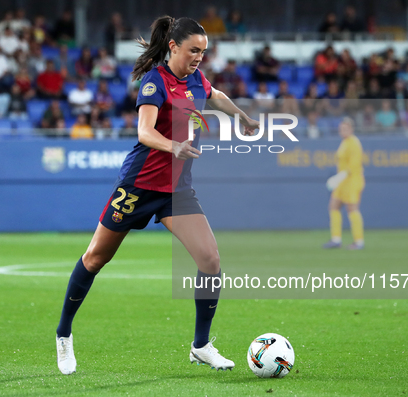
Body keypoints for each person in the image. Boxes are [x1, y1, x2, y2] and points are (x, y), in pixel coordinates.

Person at [54, 15, 260, 375]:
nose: (199, 57)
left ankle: (201, 345)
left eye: (204, 51)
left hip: (176, 192)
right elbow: (145, 132)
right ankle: (64, 335)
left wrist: (242, 115)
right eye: (194, 50)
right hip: (138, 188)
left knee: (210, 260)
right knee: (95, 259)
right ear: (173, 46)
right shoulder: (155, 82)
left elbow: (215, 95)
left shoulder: (196, 78)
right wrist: (174, 146)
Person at [323, 118, 365, 250]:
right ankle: (336, 239)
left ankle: (358, 241)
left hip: (352, 180)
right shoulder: (344, 142)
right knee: (334, 206)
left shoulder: (353, 143)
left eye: (345, 129)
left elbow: (353, 165)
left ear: (351, 130)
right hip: (343, 181)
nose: (342, 131)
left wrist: (338, 177)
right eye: (341, 129)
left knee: (352, 208)